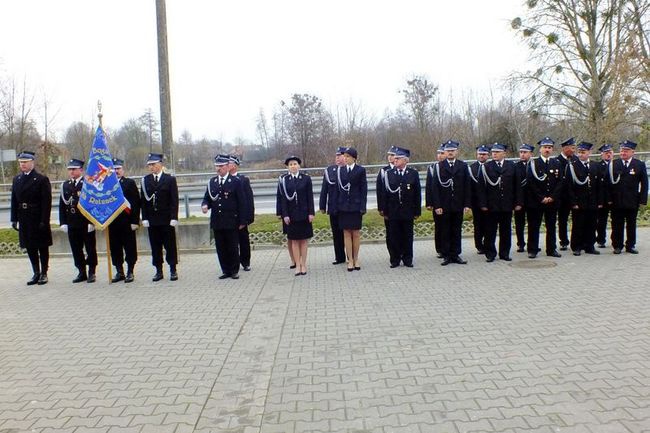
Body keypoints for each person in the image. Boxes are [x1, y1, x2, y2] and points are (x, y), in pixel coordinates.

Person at [10, 151, 52, 285]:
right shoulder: (17, 179)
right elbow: (14, 201)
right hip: (24, 217)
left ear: (32, 163)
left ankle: (44, 272)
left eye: (25, 162)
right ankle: (36, 272)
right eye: (21, 162)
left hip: (37, 217)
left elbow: (46, 202)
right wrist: (14, 219)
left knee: (42, 246)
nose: (22, 165)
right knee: (30, 247)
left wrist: (44, 220)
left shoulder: (41, 179)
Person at [202, 154, 247, 279]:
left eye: (221, 166)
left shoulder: (235, 182)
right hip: (217, 220)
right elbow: (207, 198)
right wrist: (205, 205)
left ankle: (234, 270)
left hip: (231, 220)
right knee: (221, 247)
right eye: (216, 166)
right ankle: (225, 270)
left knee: (232, 246)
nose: (218, 169)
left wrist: (243, 220)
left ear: (227, 166)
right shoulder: (212, 182)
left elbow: (242, 202)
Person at [427, 140, 471, 266]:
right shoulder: (438, 167)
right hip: (444, 205)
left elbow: (467, 186)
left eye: (452, 150)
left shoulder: (463, 166)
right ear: (444, 152)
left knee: (456, 230)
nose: (450, 153)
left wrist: (467, 204)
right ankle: (446, 255)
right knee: (445, 230)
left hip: (458, 204)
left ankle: (456, 254)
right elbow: (435, 188)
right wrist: (437, 205)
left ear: (456, 152)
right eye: (448, 151)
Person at [478, 143, 523, 262]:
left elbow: (517, 186)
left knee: (506, 230)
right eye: (493, 152)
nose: (494, 154)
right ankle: (490, 254)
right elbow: (481, 188)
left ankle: (504, 253)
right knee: (490, 231)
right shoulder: (486, 167)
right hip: (491, 205)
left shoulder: (512, 166)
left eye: (497, 152)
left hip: (507, 204)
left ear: (504, 153)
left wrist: (518, 202)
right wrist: (483, 204)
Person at [378, 147, 421, 267]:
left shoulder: (413, 173)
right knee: (394, 236)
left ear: (405, 160)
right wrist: (384, 210)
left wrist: (417, 211)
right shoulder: (389, 174)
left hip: (408, 211)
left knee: (408, 236)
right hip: (393, 211)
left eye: (398, 158)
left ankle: (408, 259)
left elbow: (417, 194)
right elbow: (384, 194)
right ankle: (395, 259)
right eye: (394, 158)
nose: (394, 160)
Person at [140, 153, 179, 281]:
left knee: (170, 245)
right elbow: (144, 202)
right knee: (155, 247)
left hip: (166, 219)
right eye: (149, 165)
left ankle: (173, 269)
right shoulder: (146, 180)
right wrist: (144, 218)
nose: (151, 167)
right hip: (153, 220)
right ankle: (158, 270)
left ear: (160, 164)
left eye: (153, 164)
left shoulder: (169, 179)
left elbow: (174, 200)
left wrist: (174, 217)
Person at [606, 140, 648, 254]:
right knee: (617, 224)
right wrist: (608, 199)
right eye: (621, 150)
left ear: (632, 152)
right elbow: (607, 183)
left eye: (626, 151)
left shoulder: (639, 164)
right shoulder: (613, 164)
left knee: (631, 224)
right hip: (616, 201)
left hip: (632, 200)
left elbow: (644, 183)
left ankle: (630, 245)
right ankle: (617, 246)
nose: (623, 153)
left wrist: (643, 200)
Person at [60, 158, 98, 283]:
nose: (71, 172)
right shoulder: (65, 185)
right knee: (76, 249)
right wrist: (63, 222)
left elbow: (93, 203)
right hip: (72, 222)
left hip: (85, 222)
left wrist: (92, 222)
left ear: (81, 170)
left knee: (90, 248)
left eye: (74, 169)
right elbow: (62, 205)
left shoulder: (88, 183)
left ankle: (92, 271)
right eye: (69, 169)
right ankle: (81, 271)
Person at [526, 137, 564, 258]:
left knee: (551, 226)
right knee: (534, 226)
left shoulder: (556, 163)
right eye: (545, 147)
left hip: (552, 201)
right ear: (540, 149)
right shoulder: (533, 163)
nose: (547, 150)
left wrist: (552, 197)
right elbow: (531, 182)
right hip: (537, 201)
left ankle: (551, 249)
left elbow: (560, 182)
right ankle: (532, 249)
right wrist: (541, 197)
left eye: (549, 147)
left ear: (552, 149)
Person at [277, 156, 315, 275]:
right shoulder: (284, 180)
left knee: (303, 240)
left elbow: (310, 197)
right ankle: (297, 265)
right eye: (291, 164)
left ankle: (303, 264)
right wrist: (285, 215)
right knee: (294, 241)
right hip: (291, 215)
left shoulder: (306, 179)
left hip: (304, 214)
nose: (293, 166)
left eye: (295, 164)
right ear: (287, 167)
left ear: (299, 166)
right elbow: (282, 199)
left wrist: (311, 213)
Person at [567, 142, 603, 255]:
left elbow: (600, 186)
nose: (581, 154)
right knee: (578, 225)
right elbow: (569, 186)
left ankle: (589, 246)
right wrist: (573, 202)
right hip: (579, 201)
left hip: (592, 201)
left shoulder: (595, 166)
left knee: (591, 225)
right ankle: (576, 247)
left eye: (583, 152)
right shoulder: (573, 166)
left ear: (589, 152)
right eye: (579, 152)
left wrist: (600, 201)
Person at [108, 158, 140, 283]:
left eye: (118, 169)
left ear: (123, 169)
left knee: (130, 248)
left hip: (127, 222)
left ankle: (130, 271)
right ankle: (119, 271)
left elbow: (136, 203)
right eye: (114, 169)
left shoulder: (129, 183)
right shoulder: (107, 185)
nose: (116, 171)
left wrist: (135, 221)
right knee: (115, 248)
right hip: (113, 222)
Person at [335, 147, 367, 271]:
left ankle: (356, 258)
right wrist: (337, 206)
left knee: (356, 234)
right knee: (346, 234)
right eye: (345, 156)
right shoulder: (340, 171)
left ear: (354, 158)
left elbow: (363, 189)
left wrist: (362, 206)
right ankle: (350, 260)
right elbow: (337, 190)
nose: (345, 158)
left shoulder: (360, 170)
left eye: (348, 156)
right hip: (343, 207)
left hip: (356, 206)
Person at [319, 146, 346, 265]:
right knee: (336, 233)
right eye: (337, 156)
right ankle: (339, 257)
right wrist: (322, 206)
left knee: (347, 233)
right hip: (334, 207)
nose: (338, 158)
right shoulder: (329, 170)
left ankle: (351, 256)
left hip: (346, 208)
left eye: (340, 156)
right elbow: (324, 189)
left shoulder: (349, 170)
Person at [228, 155, 255, 272]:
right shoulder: (223, 179)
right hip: (228, 217)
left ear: (235, 165)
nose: (227, 165)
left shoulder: (243, 180)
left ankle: (245, 262)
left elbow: (249, 200)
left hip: (240, 216)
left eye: (229, 163)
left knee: (243, 240)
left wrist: (247, 218)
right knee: (230, 241)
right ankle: (232, 263)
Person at [556, 137, 579, 251]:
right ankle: (563, 241)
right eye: (572, 148)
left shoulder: (576, 160)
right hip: (562, 196)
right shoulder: (557, 161)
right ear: (565, 148)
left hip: (575, 196)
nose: (574, 151)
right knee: (562, 219)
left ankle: (577, 241)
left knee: (577, 219)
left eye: (574, 148)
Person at [425, 145, 447, 259]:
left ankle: (448, 249)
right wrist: (429, 203)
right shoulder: (433, 168)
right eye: (438, 153)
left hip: (448, 202)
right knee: (439, 226)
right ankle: (440, 249)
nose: (440, 155)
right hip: (436, 202)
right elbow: (429, 186)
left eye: (442, 153)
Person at [376, 146, 397, 263]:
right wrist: (381, 208)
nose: (390, 157)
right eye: (389, 155)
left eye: (393, 155)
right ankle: (393, 255)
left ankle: (403, 254)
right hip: (388, 208)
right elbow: (380, 190)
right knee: (390, 233)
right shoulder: (383, 171)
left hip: (401, 208)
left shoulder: (404, 169)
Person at [468, 145, 490, 255]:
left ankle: (487, 244)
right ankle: (479, 246)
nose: (481, 156)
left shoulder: (491, 166)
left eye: (484, 154)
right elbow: (468, 187)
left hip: (489, 202)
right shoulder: (471, 168)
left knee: (488, 225)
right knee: (478, 225)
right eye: (480, 154)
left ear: (488, 155)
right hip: (476, 202)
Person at [514, 143, 534, 252]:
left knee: (532, 223)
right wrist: (516, 201)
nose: (522, 155)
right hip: (519, 200)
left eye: (525, 152)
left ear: (530, 154)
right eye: (521, 152)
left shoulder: (534, 165)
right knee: (519, 224)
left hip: (532, 200)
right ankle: (520, 244)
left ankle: (532, 244)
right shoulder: (515, 166)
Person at [596, 143, 614, 248]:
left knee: (615, 221)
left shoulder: (616, 164)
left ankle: (615, 240)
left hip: (614, 197)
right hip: (602, 198)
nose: (608, 155)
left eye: (610, 153)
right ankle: (601, 240)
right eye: (606, 153)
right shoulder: (598, 166)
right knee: (601, 221)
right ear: (602, 154)